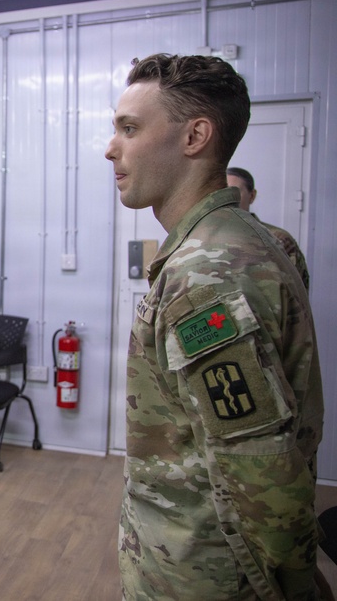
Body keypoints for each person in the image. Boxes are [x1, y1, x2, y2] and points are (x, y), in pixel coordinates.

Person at [107, 53, 324, 600]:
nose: (112, 148)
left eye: (129, 129)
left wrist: (299, 586)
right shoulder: (234, 242)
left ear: (195, 136)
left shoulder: (206, 276)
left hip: (204, 577)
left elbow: (259, 471)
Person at [226, 166, 310, 291]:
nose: (228, 198)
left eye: (235, 191)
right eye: (222, 192)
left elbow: (296, 294)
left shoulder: (277, 239)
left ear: (252, 196)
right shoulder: (205, 236)